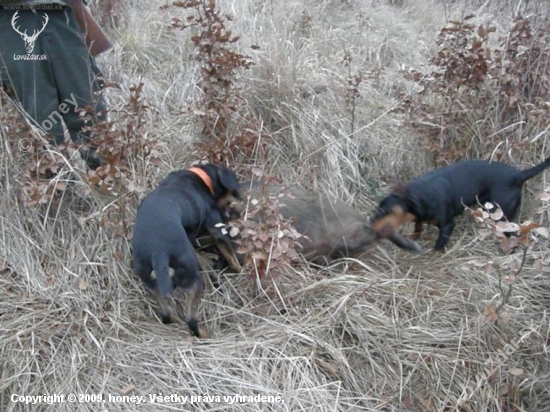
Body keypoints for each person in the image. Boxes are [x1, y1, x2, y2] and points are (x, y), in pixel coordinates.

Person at [0, 0, 110, 169]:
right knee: (40, 117)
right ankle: (56, 189)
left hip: (61, 13)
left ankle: (106, 180)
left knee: (86, 103)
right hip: (11, 17)